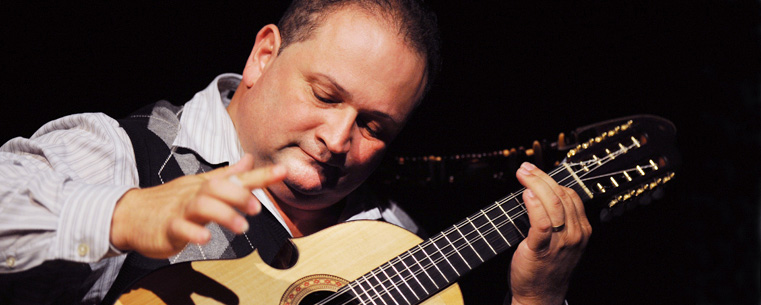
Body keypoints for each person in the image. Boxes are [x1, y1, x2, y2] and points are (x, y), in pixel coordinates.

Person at [0, 0, 591, 304]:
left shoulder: (395, 244)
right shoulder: (126, 153)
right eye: (325, 94)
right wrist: (119, 215)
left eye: (375, 127)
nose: (337, 141)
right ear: (263, 56)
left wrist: (536, 298)